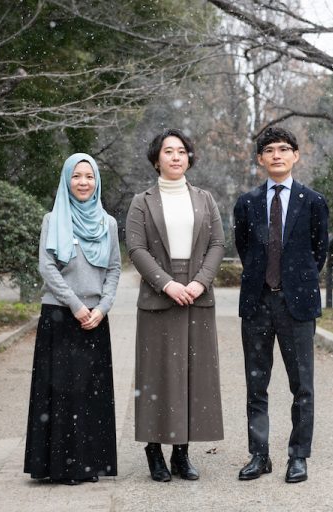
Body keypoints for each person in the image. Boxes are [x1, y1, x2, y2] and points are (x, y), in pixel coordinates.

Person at [126, 129, 225, 482]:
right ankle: (154, 449)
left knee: (194, 376)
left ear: (189, 157)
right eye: (168, 151)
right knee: (157, 375)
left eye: (181, 151)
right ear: (157, 159)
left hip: (198, 296)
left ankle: (181, 453)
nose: (176, 157)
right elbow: (136, 248)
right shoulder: (142, 201)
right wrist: (167, 283)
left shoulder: (205, 199)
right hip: (158, 297)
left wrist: (200, 281)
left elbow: (217, 244)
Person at [233, 127, 329, 484]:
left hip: (297, 305)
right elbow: (244, 248)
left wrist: (294, 283)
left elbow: (319, 251)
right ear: (260, 158)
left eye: (284, 149)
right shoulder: (247, 203)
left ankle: (298, 456)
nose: (277, 155)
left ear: (295, 156)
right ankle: (259, 455)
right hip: (257, 303)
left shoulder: (313, 201)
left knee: (302, 385)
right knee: (256, 384)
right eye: (270, 150)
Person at [24, 153, 121, 485]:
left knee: (90, 393)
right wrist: (75, 305)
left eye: (89, 176)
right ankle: (58, 466)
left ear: (97, 182)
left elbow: (114, 269)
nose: (83, 182)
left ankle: (88, 465)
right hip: (60, 315)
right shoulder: (53, 220)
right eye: (77, 176)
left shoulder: (107, 223)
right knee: (60, 391)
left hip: (96, 318)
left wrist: (102, 307)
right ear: (67, 180)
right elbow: (47, 267)